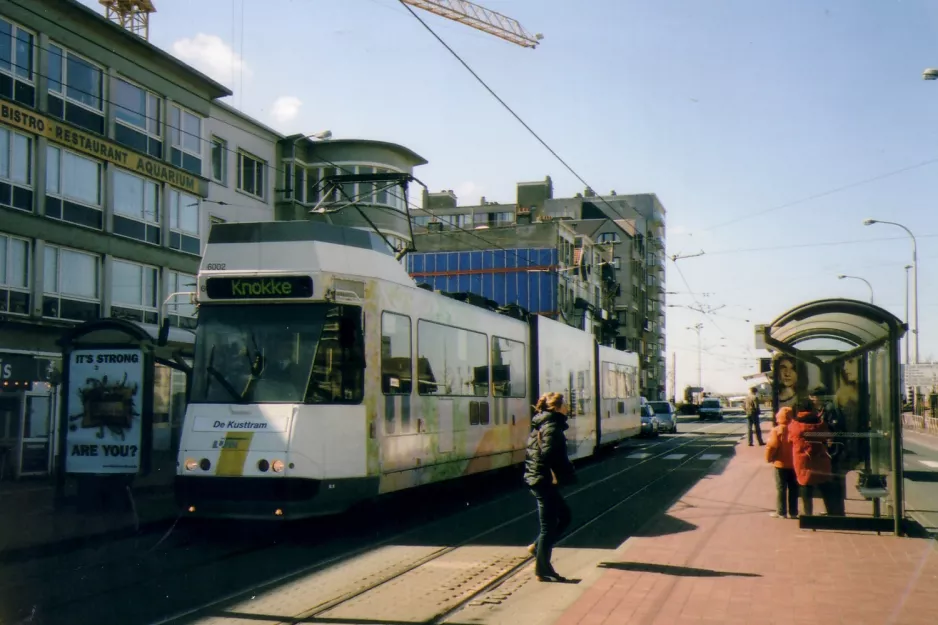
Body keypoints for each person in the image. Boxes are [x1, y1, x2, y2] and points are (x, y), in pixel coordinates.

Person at [523, 391, 576, 582]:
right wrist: (564, 470)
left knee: (564, 516)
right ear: (557, 407)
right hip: (543, 480)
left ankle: (537, 548)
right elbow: (549, 454)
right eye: (565, 404)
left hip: (538, 478)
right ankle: (542, 568)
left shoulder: (543, 423)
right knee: (549, 526)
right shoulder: (552, 426)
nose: (567, 407)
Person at [786, 396, 837, 516]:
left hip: (803, 460)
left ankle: (808, 515)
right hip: (821, 458)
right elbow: (827, 435)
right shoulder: (820, 422)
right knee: (824, 485)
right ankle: (831, 513)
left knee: (805, 486)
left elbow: (790, 439)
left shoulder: (794, 425)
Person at [765, 408, 798, 518]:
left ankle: (781, 512)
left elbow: (772, 446)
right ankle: (793, 512)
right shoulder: (795, 429)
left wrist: (768, 458)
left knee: (781, 488)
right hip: (794, 464)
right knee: (793, 489)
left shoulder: (777, 430)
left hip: (781, 464)